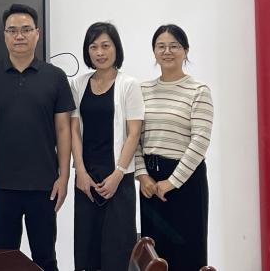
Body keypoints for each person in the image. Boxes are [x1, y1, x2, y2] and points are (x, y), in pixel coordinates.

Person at [0, 4, 74, 271]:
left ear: (37, 34)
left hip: (44, 185)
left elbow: (64, 130)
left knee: (45, 258)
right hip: (1, 185)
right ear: (4, 35)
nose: (19, 36)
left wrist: (64, 177)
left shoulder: (55, 77)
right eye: (13, 30)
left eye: (26, 30)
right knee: (4, 259)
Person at [134, 24, 213, 271]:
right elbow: (133, 138)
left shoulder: (198, 91)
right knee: (154, 257)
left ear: (185, 51)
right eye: (161, 46)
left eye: (174, 46)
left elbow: (200, 141)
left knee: (188, 254)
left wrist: (172, 182)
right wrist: (142, 175)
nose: (167, 51)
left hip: (185, 181)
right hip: (150, 184)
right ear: (154, 52)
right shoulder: (142, 90)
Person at [69, 22, 144, 271]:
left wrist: (118, 174)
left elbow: (134, 133)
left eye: (105, 46)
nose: (100, 52)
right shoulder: (78, 84)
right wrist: (80, 171)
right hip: (86, 178)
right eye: (94, 47)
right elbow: (74, 130)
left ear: (116, 48)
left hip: (118, 177)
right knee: (86, 248)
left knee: (117, 250)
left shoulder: (129, 84)